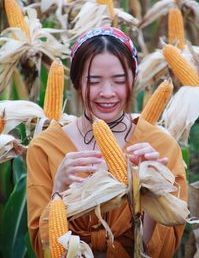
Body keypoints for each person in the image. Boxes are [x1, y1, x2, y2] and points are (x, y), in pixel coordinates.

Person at [26, 27, 187, 258]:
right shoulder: (44, 148)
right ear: (77, 83)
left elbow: (164, 250)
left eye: (119, 80)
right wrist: (58, 191)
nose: (107, 92)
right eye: (94, 81)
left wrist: (155, 190)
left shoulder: (161, 146)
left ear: (133, 80)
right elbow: (41, 249)